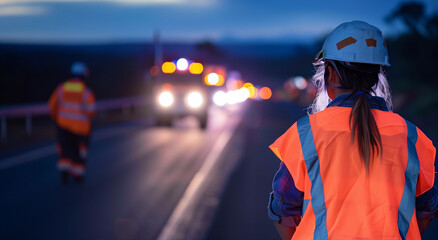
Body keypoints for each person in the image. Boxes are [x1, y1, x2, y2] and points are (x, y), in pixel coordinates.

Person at [267, 21, 437, 239]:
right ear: (376, 76)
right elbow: (427, 209)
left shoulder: (304, 134)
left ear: (331, 74)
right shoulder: (412, 136)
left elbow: (283, 211)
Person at [49, 62, 96, 184]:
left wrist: (58, 119)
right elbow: (91, 112)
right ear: (84, 75)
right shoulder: (86, 92)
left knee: (64, 150)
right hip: (81, 130)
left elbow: (52, 106)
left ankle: (64, 173)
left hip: (63, 126)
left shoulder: (62, 88)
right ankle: (77, 175)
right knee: (79, 152)